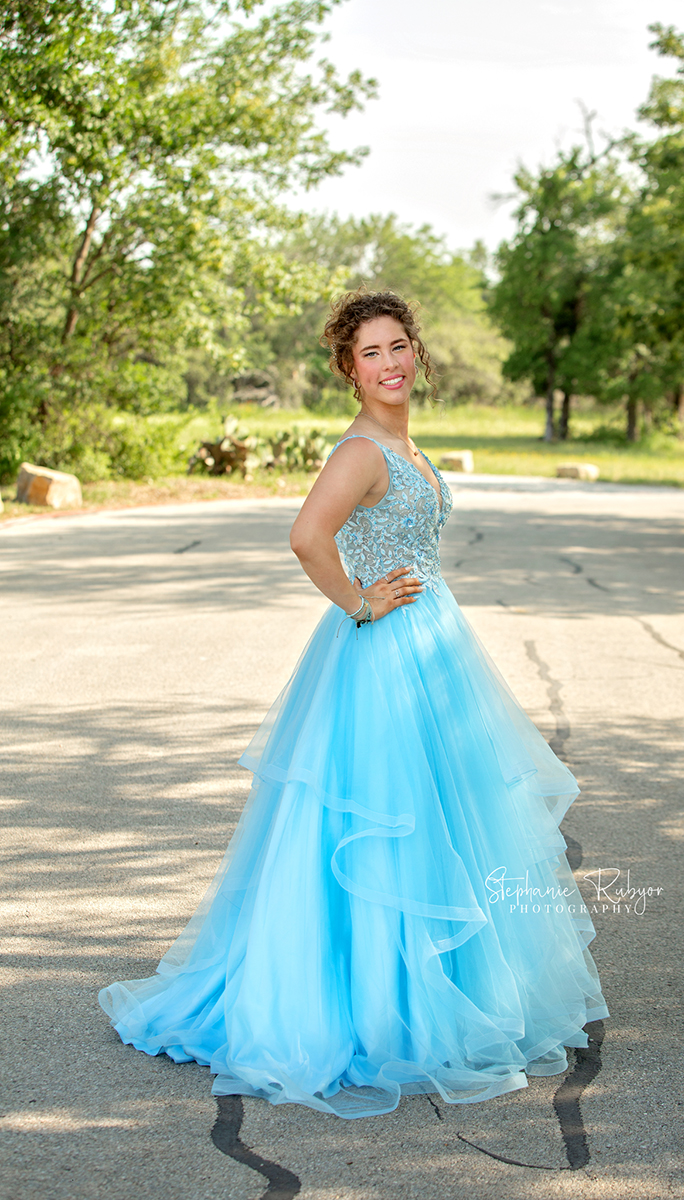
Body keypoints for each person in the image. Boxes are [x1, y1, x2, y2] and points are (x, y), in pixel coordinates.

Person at [98, 288, 609, 1120]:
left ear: (419, 353)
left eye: (399, 345)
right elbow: (308, 536)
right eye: (371, 352)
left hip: (434, 649)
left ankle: (437, 994)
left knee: (446, 820)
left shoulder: (404, 444)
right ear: (348, 368)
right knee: (387, 823)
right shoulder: (361, 451)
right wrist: (359, 602)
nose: (390, 362)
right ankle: (374, 1009)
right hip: (383, 653)